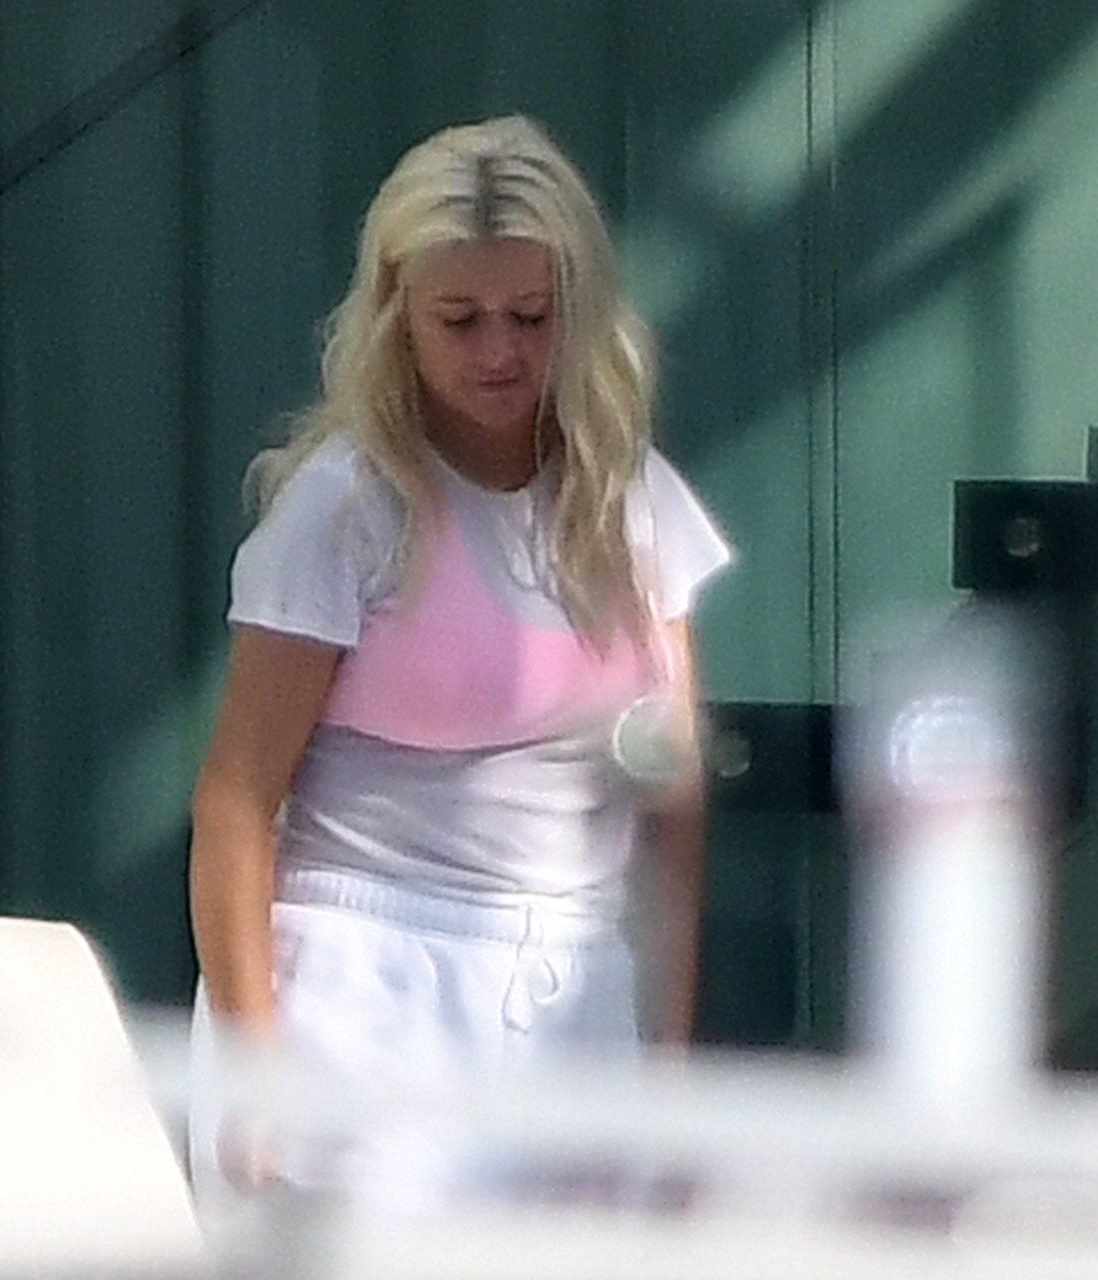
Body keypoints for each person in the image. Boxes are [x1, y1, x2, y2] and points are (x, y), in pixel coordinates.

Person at [186, 114, 732, 1215]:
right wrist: (257, 1079)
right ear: (398, 314)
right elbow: (238, 802)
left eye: (531, 316)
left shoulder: (635, 504)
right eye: (460, 319)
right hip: (368, 989)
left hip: (579, 990)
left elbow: (671, 813)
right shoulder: (344, 512)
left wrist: (670, 1069)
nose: (498, 353)